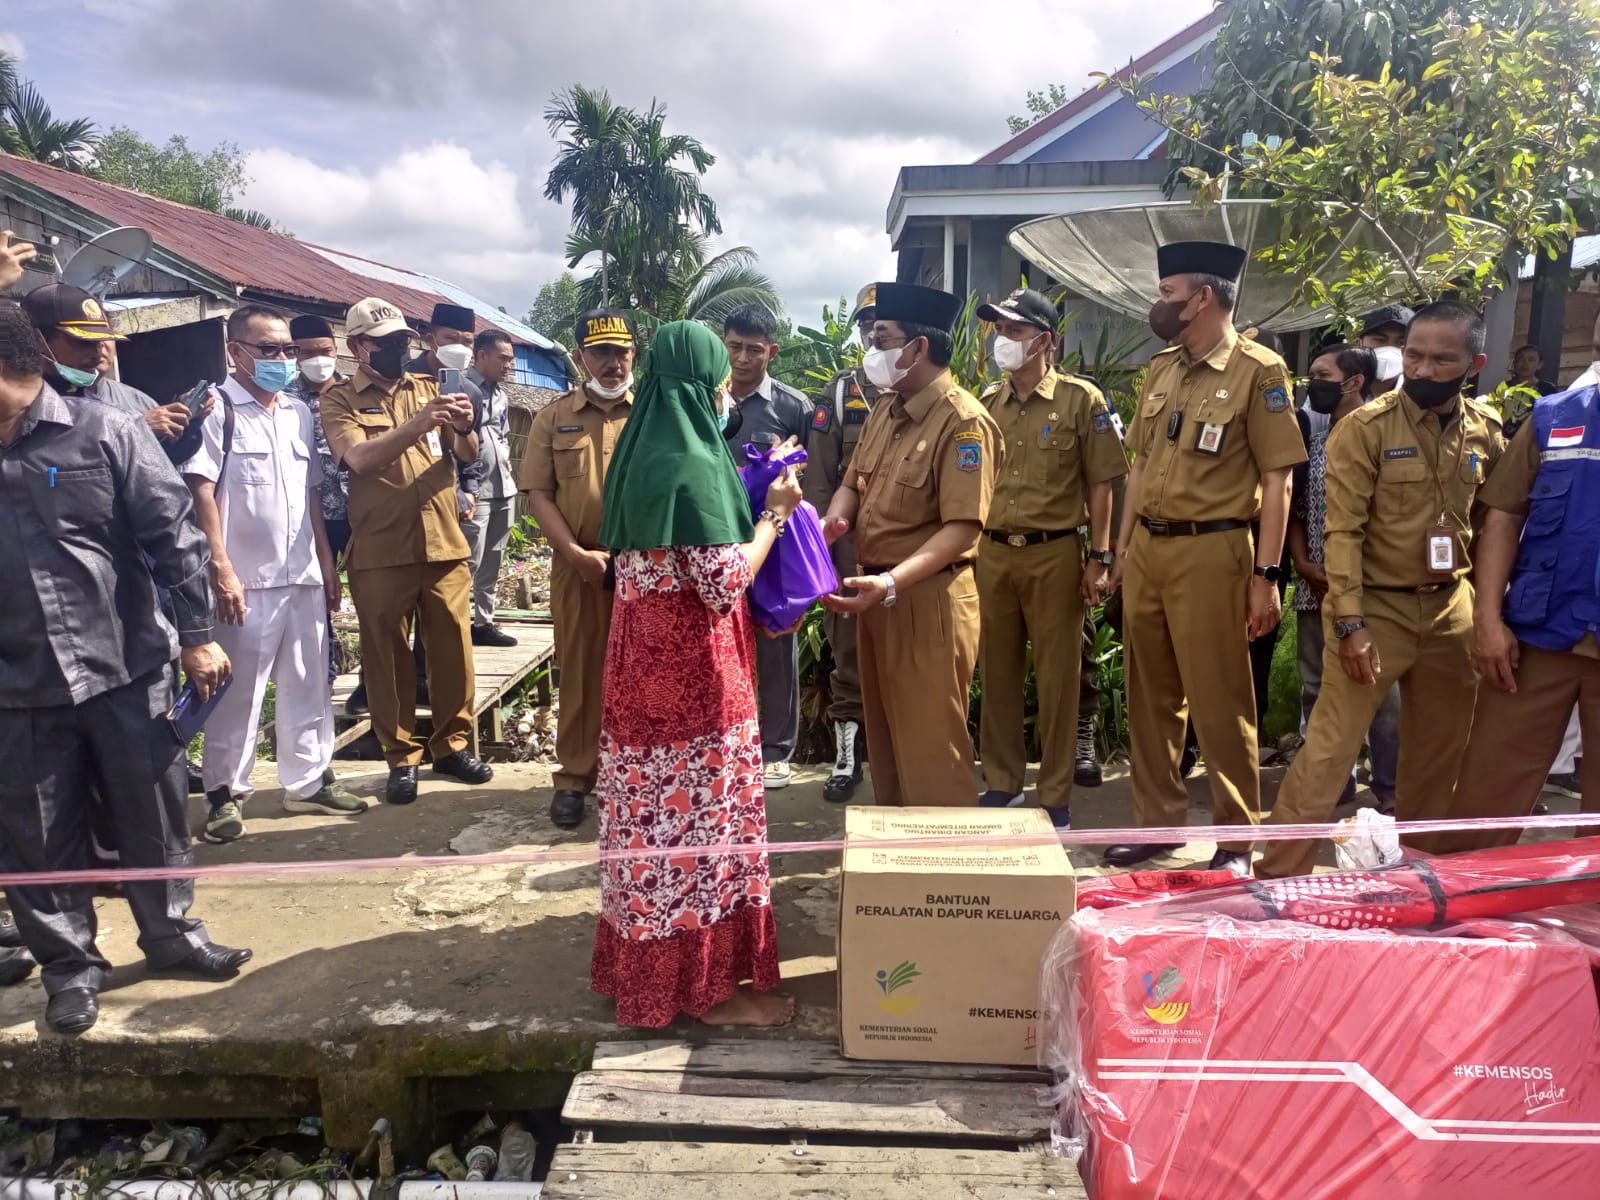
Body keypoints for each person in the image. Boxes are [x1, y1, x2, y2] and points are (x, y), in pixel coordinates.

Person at [0, 301, 251, 1033]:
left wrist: (197, 635)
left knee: (153, 811)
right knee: (37, 833)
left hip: (124, 662)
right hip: (17, 684)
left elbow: (171, 537)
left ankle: (172, 935)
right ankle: (70, 970)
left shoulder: (102, 432)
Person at [590, 320, 802, 1028]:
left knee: (646, 826)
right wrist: (773, 519)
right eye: (716, 382)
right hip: (694, 673)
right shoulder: (694, 460)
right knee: (703, 820)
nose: (722, 395)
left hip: (636, 667)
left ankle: (646, 976)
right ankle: (707, 991)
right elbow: (720, 580)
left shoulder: (636, 449)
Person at [1257, 301, 1506, 878]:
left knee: (1439, 755)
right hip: (1378, 609)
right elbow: (1341, 533)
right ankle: (1275, 878)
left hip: (1452, 609)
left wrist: (1489, 614)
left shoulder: (1486, 432)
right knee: (1328, 750)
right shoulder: (1365, 429)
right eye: (1414, 355)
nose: (1422, 369)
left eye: (1442, 359)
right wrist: (1350, 623)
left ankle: (1422, 878)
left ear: (1475, 363)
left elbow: (1496, 524)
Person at [1102, 241, 1306, 875]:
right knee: (1151, 695)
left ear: (1204, 298)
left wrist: (1267, 575)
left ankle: (1237, 839)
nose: (1159, 306)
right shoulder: (1162, 367)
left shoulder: (1260, 369)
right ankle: (1157, 823)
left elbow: (1279, 481)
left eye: (1168, 295)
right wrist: (1122, 548)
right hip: (1151, 550)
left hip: (1214, 548)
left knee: (1220, 698)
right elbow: (1137, 468)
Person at [182, 304, 367, 843]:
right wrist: (220, 566)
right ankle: (224, 793)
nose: (283, 359)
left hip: (302, 572)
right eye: (271, 350)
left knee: (311, 681)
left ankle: (308, 781)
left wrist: (326, 563)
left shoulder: (297, 413)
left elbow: (310, 492)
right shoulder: (217, 408)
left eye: (288, 349)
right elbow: (200, 489)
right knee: (237, 692)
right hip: (246, 578)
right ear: (235, 352)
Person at [820, 283, 1000, 807]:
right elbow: (852, 483)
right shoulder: (885, 409)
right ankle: (901, 863)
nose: (872, 352)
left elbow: (964, 528)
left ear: (918, 348)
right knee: (889, 744)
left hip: (926, 599)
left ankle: (944, 874)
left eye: (882, 340)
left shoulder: (963, 422)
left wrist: (893, 582)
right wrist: (835, 521)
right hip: (877, 595)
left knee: (931, 749)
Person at [318, 297, 494, 806]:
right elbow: (358, 458)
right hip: (380, 547)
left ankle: (452, 747)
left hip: (442, 543)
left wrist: (463, 428)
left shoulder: (432, 386)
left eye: (402, 341)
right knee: (387, 658)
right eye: (386, 343)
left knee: (452, 652)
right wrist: (419, 424)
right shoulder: (339, 400)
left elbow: (466, 455)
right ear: (358, 348)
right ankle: (400, 756)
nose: (399, 349)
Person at [973, 289, 1127, 827]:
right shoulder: (987, 404)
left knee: (1059, 678)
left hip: (1055, 552)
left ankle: (1055, 791)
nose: (1004, 341)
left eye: (1015, 331)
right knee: (997, 672)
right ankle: (1002, 782)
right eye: (1000, 330)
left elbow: (1103, 482)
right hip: (993, 552)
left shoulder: (1082, 400)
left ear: (1047, 340)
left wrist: (1101, 555)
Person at [1423, 380, 1598, 855]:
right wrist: (1487, 619)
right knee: (1487, 791)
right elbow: (1502, 518)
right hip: (1538, 637)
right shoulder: (1554, 418)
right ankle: (1459, 906)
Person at [521, 308, 637, 830]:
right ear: (580, 357)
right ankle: (574, 777)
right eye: (601, 353)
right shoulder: (553, 416)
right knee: (581, 670)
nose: (613, 363)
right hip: (578, 564)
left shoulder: (653, 413)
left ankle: (635, 776)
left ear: (636, 352)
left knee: (644, 674)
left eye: (622, 351)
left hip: (644, 567)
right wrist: (575, 555)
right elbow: (540, 494)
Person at [1287, 343, 1401, 812]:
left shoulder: (1382, 440)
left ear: (1354, 381)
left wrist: (1348, 576)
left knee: (1382, 692)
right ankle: (1335, 781)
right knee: (1315, 686)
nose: (1312, 382)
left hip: (1367, 592)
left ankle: (1391, 787)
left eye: (1321, 373)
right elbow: (1296, 511)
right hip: (1316, 587)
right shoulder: (1313, 444)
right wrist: (1303, 564)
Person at [721, 304, 814, 791]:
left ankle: (775, 750)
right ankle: (725, 743)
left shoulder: (793, 406)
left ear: (771, 352)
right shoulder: (707, 400)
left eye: (753, 349)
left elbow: (806, 484)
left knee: (776, 645)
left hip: (773, 542)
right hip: (716, 543)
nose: (742, 358)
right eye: (734, 346)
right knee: (718, 647)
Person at [803, 284, 883, 803]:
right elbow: (819, 483)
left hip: (913, 550)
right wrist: (823, 553)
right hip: (850, 548)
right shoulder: (840, 394)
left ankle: (909, 755)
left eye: (884, 322)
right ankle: (847, 756)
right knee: (848, 655)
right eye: (866, 324)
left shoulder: (927, 391)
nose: (875, 332)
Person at [22, 282, 210, 465]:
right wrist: (131, 430)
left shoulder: (136, 400)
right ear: (38, 341)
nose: (97, 351)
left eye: (104, 338)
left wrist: (188, 424)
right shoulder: (18, 407)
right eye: (83, 341)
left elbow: (160, 468)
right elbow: (40, 465)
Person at [463, 328, 520, 647]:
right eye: (503, 358)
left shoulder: (501, 395)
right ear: (481, 355)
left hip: (503, 488)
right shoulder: (461, 387)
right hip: (476, 491)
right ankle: (456, 623)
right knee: (469, 559)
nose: (508, 365)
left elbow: (504, 435)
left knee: (494, 558)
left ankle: (484, 623)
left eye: (510, 359)